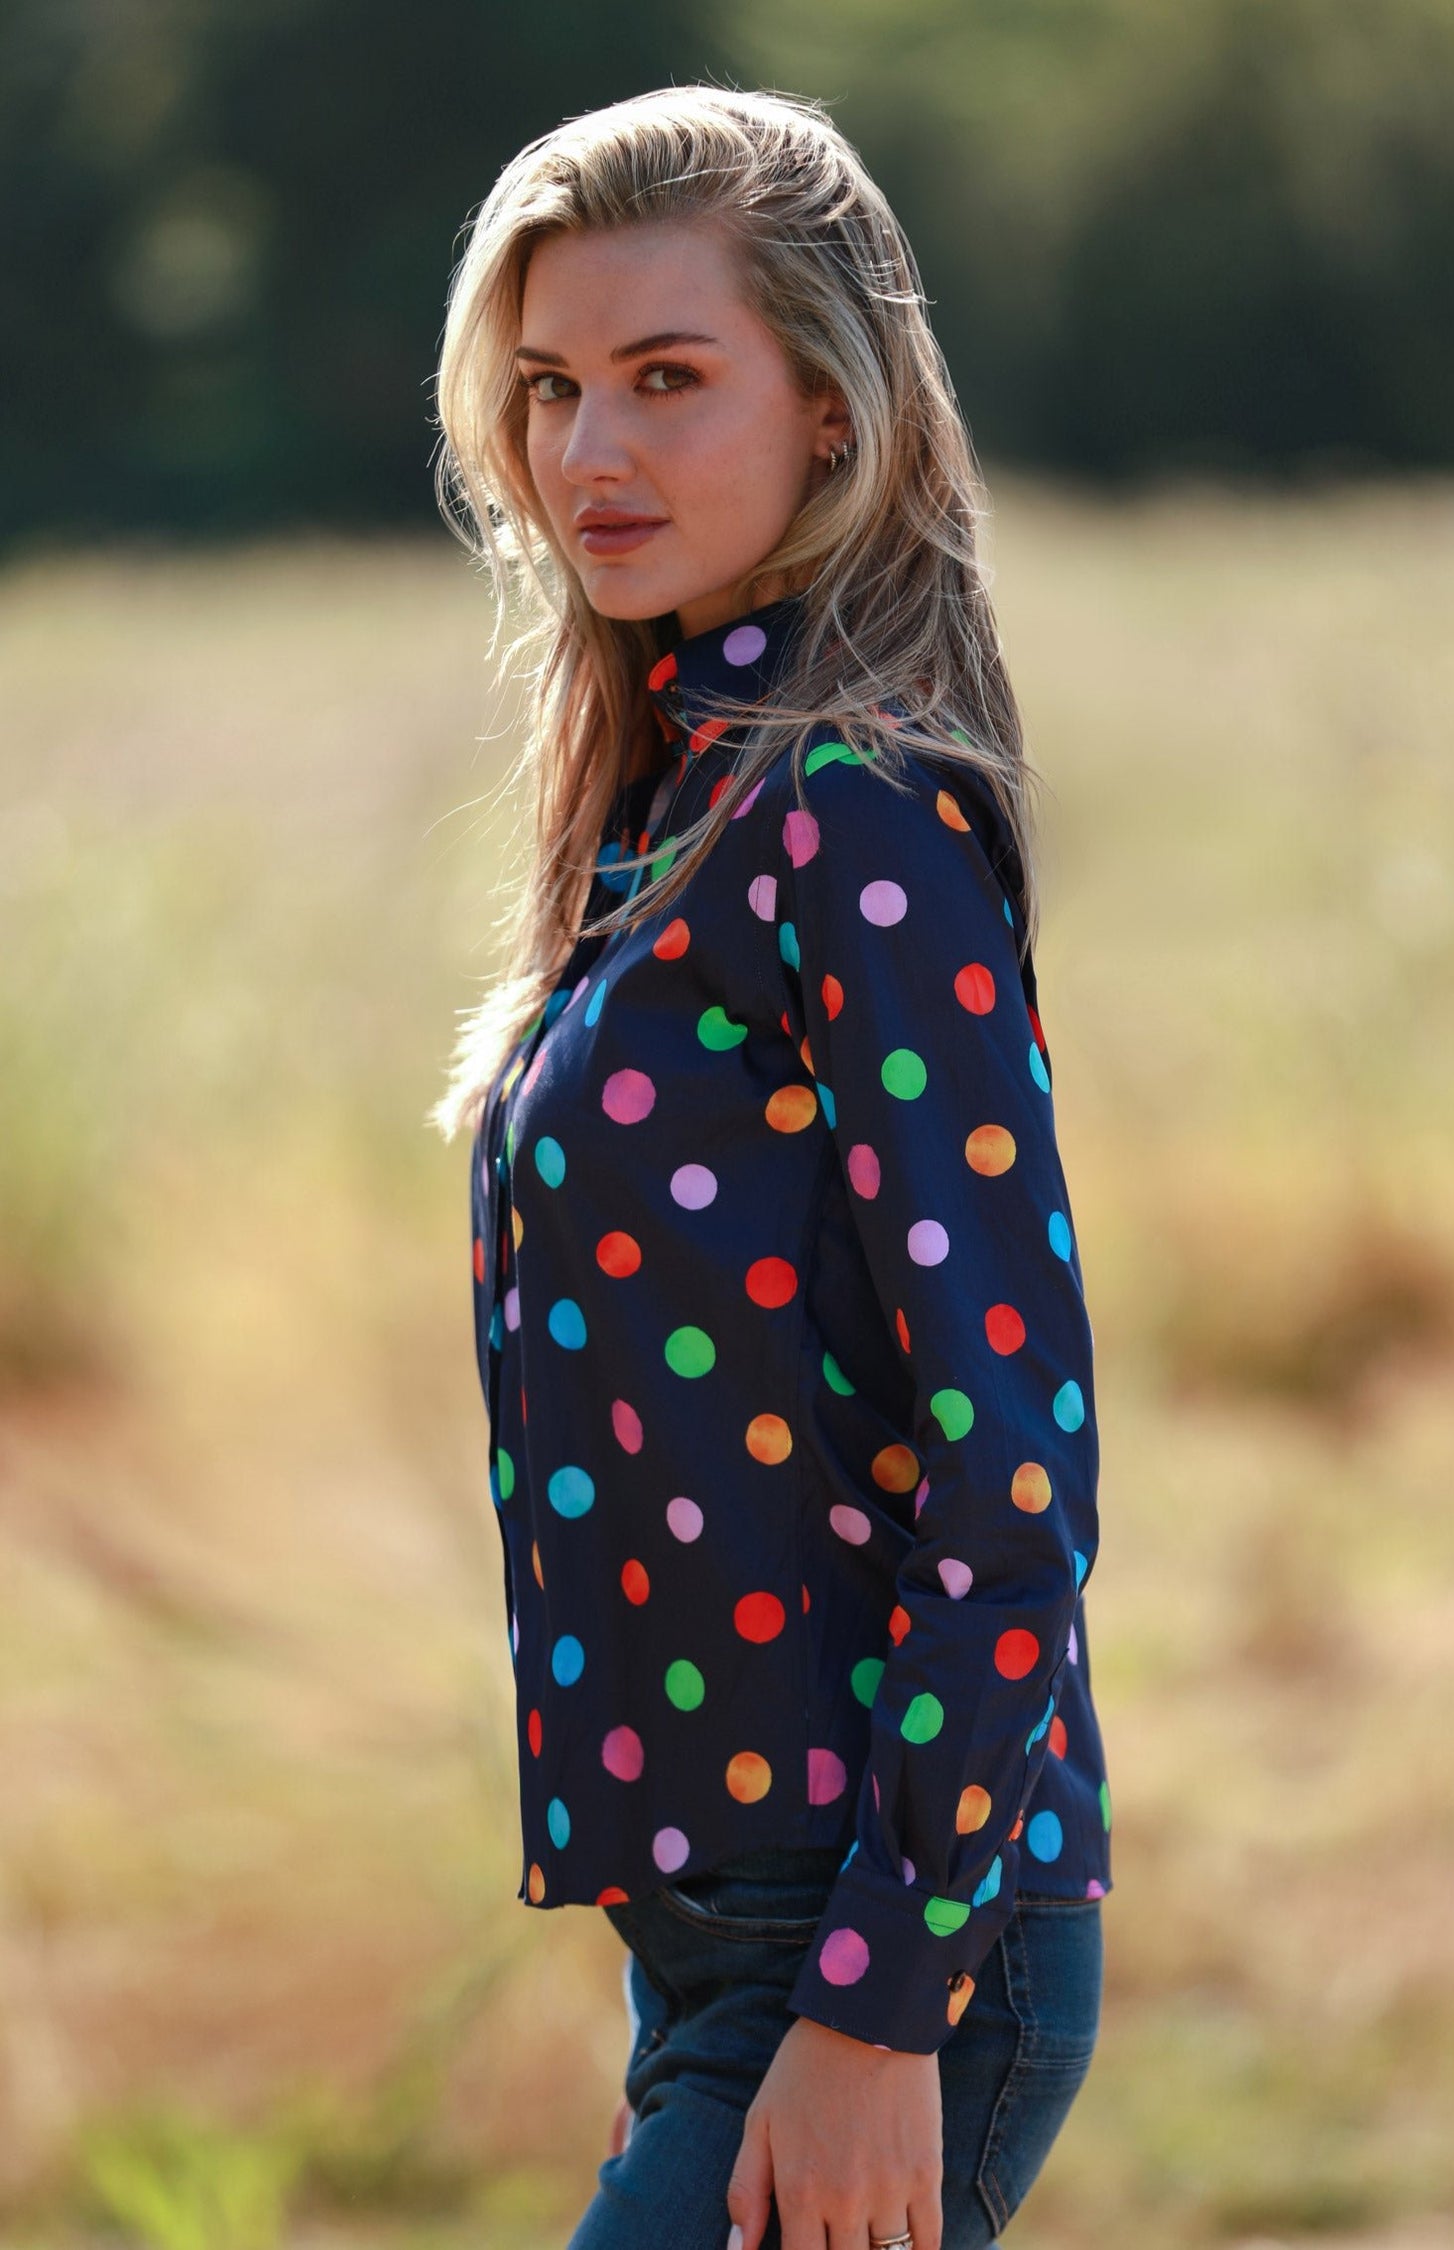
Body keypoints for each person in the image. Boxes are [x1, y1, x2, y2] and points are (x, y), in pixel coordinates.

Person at [430, 83, 1112, 2250]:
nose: (587, 457)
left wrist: (886, 2006)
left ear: (831, 409)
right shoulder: (679, 796)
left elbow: (1018, 1471)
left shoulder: (850, 812)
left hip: (875, 1947)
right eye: (547, 389)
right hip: (719, 1934)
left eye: (665, 380)